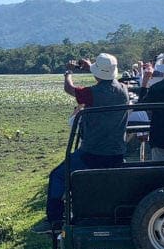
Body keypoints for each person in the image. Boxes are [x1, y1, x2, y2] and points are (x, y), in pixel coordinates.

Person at [46, 53, 129, 227]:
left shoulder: (91, 93)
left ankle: (55, 219)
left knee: (58, 176)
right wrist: (90, 66)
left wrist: (68, 72)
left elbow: (69, 89)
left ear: (98, 73)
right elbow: (104, 80)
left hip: (92, 154)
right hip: (117, 153)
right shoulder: (124, 89)